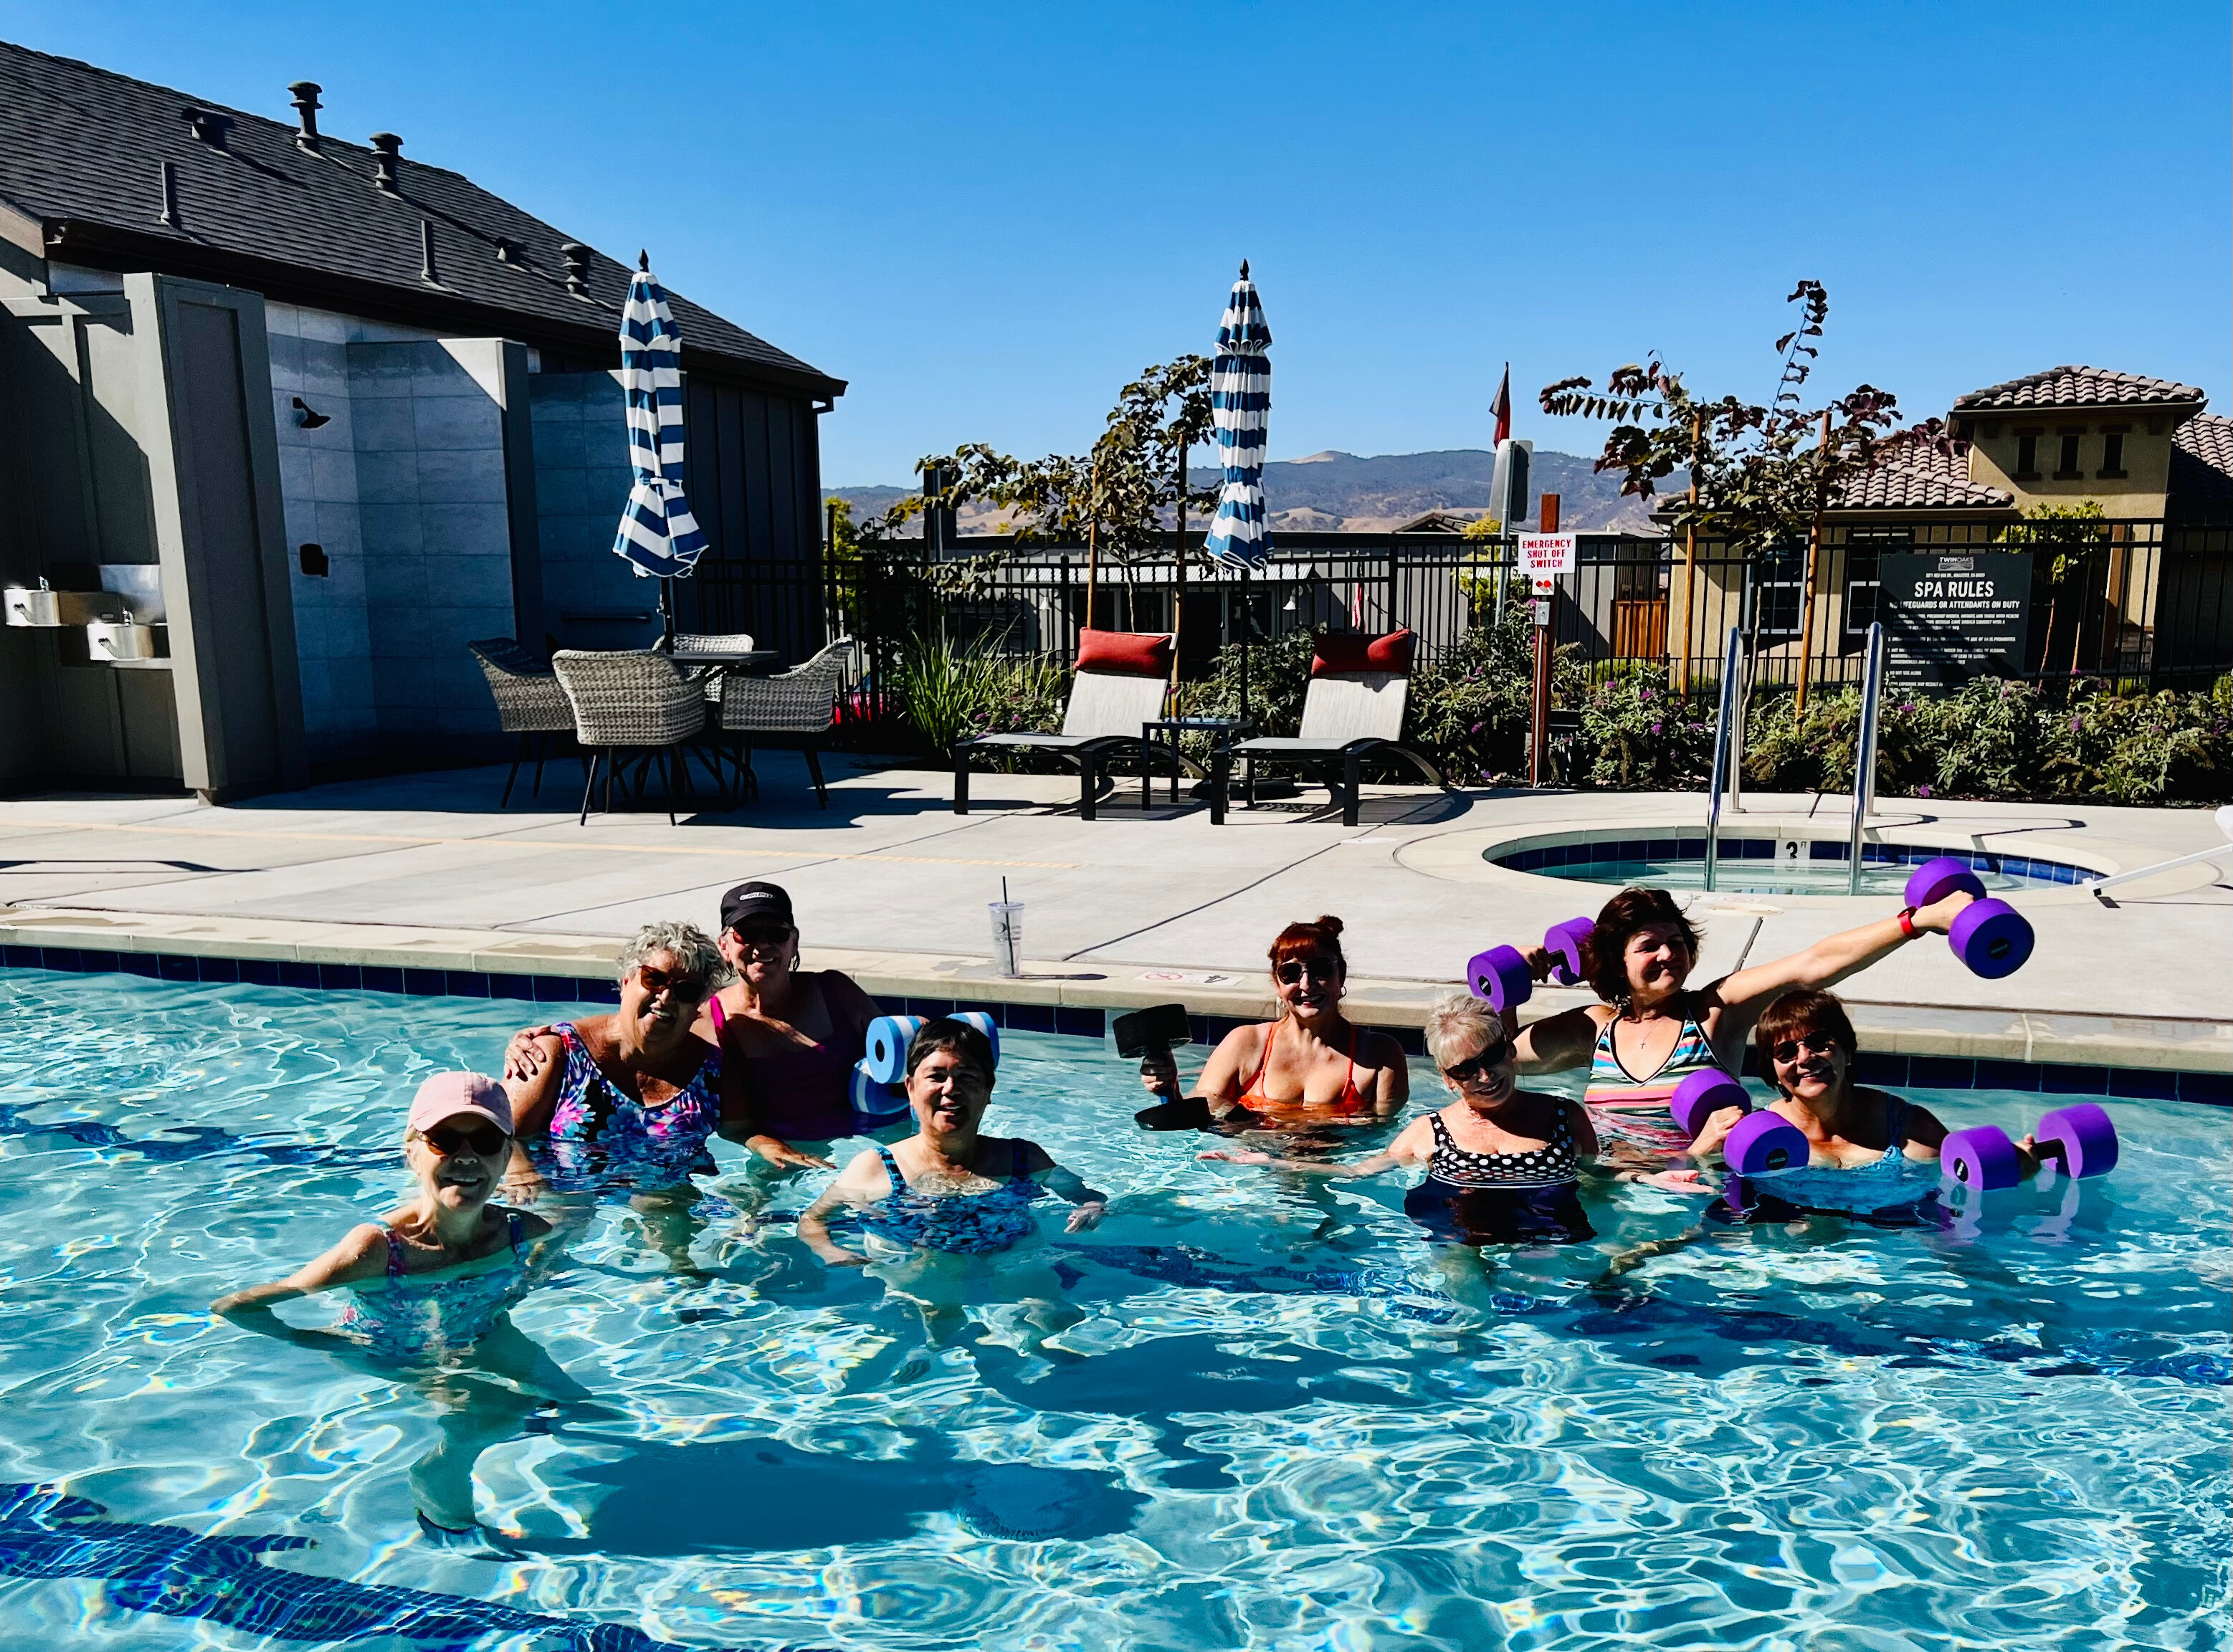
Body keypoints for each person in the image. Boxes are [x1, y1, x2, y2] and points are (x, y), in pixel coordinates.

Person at [211, 1073, 577, 1536]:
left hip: (484, 1331)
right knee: (492, 1412)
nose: (467, 1156)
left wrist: (519, 1289)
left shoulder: (520, 1231)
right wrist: (319, 1341)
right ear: (412, 1152)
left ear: (506, 1157)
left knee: (580, 1406)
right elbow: (237, 1306)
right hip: (394, 1350)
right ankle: (441, 1490)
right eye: (445, 1140)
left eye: (485, 1141)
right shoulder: (378, 1250)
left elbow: (551, 1254)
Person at [1511, 884, 1984, 1169]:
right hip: (1611, 1193)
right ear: (1617, 961)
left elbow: (1813, 964)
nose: (1668, 954)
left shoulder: (1714, 1010)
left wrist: (1919, 921)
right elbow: (1499, 1065)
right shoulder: (1593, 1027)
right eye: (1648, 945)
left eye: (1676, 941)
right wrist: (1510, 989)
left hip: (1689, 1198)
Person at [1200, 993, 1600, 1245]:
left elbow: (1600, 1179)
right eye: (1465, 1069)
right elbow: (1356, 1172)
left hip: (1556, 1232)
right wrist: (1271, 1162)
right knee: (1463, 1285)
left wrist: (1637, 1176)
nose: (1484, 1076)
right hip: (1462, 1236)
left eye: (1492, 1057)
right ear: (1447, 1079)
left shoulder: (1565, 1117)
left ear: (1510, 1051)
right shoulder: (1429, 1132)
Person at [799, 1018, 1108, 1266]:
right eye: (936, 1077)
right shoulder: (877, 1167)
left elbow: (1086, 1196)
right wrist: (832, 1253)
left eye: (967, 1077)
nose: (950, 1089)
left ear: (988, 1090)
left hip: (1015, 1266)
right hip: (914, 1277)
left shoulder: (1024, 1159)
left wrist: (1092, 1209)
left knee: (1047, 1313)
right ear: (910, 1088)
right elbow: (813, 1220)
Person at [499, 922, 739, 1213]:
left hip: (670, 1204)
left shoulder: (713, 1070)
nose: (666, 997)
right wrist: (524, 1176)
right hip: (567, 1197)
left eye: (686, 990)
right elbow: (501, 1137)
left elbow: (743, 1132)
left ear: (698, 1007)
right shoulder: (555, 1053)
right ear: (626, 982)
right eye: (654, 979)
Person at [1139, 916, 1407, 1128]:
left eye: (1321, 969)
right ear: (1277, 984)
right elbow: (1199, 1117)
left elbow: (1381, 1137)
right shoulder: (1245, 1044)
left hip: (1335, 1173)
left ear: (1342, 975)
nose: (1306, 984)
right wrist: (1170, 1088)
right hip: (1248, 1173)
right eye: (1290, 973)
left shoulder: (1380, 1056)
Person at [703, 880, 887, 1173]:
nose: (762, 945)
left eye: (777, 933)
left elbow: (900, 1052)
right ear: (724, 946)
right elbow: (731, 1125)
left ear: (794, 942)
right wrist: (768, 1146)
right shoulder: (712, 1022)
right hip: (778, 1166)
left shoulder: (837, 993)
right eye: (747, 933)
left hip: (866, 1151)